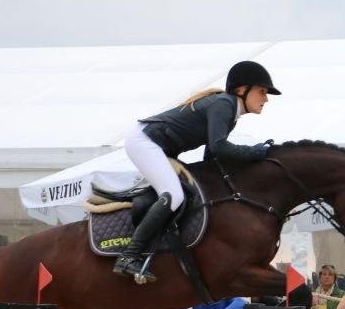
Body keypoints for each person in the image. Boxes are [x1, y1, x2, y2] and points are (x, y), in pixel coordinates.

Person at [113, 61, 281, 281]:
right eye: (262, 92)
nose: (266, 99)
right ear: (242, 89)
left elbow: (211, 156)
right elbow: (219, 147)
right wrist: (256, 152)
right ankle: (129, 256)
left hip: (158, 146)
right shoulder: (224, 104)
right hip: (145, 141)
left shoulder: (231, 113)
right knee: (174, 195)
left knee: (191, 192)